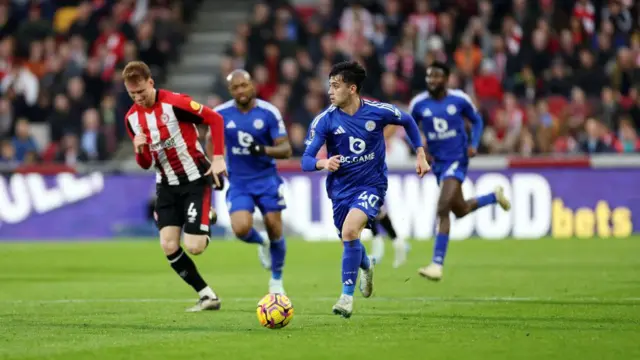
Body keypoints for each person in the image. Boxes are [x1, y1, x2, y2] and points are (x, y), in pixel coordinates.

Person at [301, 61, 430, 318]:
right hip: (340, 190)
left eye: (335, 86)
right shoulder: (324, 121)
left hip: (372, 185)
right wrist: (323, 162)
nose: (330, 91)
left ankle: (346, 298)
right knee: (348, 239)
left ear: (352, 88)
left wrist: (420, 153)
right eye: (329, 86)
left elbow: (407, 120)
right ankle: (367, 266)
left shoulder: (376, 111)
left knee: (350, 231)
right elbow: (306, 160)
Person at [123, 61, 227, 312]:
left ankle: (205, 218)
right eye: (132, 94)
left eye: (142, 92)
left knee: (195, 247)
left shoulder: (175, 103)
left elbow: (215, 119)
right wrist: (140, 150)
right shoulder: (132, 120)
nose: (138, 98)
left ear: (151, 82)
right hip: (166, 185)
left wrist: (218, 157)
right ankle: (207, 295)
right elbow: (146, 163)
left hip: (194, 179)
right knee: (169, 245)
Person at [409, 61, 511, 281]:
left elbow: (477, 120)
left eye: (436, 76)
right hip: (437, 163)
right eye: (429, 76)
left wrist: (474, 143)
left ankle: (437, 264)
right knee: (460, 209)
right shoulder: (419, 103)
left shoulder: (459, 99)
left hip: (457, 158)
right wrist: (420, 149)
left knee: (443, 206)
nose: (432, 80)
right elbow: (410, 127)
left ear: (446, 79)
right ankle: (493, 197)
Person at [212, 69, 290, 294]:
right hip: (239, 182)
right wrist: (216, 162)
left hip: (267, 179)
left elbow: (286, 149)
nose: (240, 91)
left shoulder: (268, 112)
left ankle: (276, 281)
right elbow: (210, 139)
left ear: (252, 85)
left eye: (244, 85)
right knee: (240, 228)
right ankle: (261, 242)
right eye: (235, 88)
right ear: (230, 91)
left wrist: (264, 149)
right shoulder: (221, 114)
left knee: (275, 227)